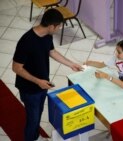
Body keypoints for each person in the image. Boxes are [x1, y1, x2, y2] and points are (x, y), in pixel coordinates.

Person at [12, 8, 82, 141]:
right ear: (51, 26)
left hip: (43, 84)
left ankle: (36, 137)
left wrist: (71, 64)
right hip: (29, 89)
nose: (59, 29)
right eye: (59, 26)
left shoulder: (47, 35)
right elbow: (16, 68)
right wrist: (38, 81)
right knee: (32, 120)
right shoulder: (26, 41)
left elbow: (52, 51)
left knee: (38, 114)